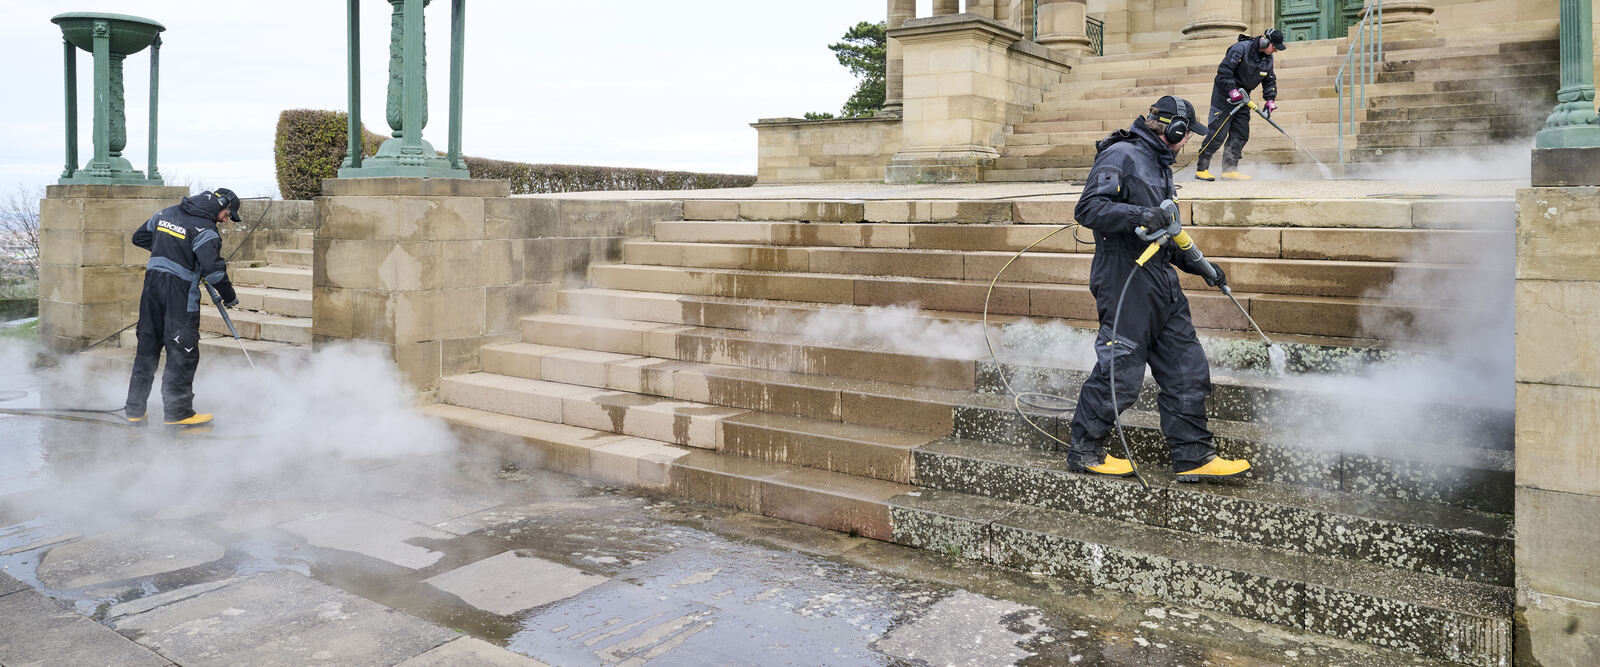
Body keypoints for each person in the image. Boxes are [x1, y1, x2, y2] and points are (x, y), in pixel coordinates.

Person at [1066, 96, 1252, 482]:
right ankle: (1085, 451)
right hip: (1124, 279)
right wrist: (1139, 213)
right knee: (1122, 372)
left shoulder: (1160, 165)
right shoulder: (1122, 155)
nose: (1187, 143)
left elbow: (1167, 234)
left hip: (1160, 281)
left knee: (1187, 369)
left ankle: (1194, 456)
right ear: (1173, 130)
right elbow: (1088, 210)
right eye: (1186, 136)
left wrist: (1202, 267)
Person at [123, 188, 242, 427]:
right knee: (182, 352)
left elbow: (140, 237)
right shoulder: (206, 231)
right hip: (179, 296)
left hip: (151, 291)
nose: (227, 219)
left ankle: (135, 410)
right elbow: (215, 271)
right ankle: (179, 414)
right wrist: (230, 297)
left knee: (147, 348)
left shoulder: (165, 214)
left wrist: (170, 251)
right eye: (229, 214)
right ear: (222, 206)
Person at [1194, 28, 1287, 182]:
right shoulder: (1240, 49)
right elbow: (1224, 71)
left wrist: (1270, 99)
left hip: (1243, 96)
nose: (1275, 50)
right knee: (1218, 133)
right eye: (1274, 46)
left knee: (1241, 132)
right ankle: (1202, 169)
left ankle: (1229, 170)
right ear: (1264, 41)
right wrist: (1232, 90)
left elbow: (1269, 79)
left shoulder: (1267, 58)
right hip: (1224, 95)